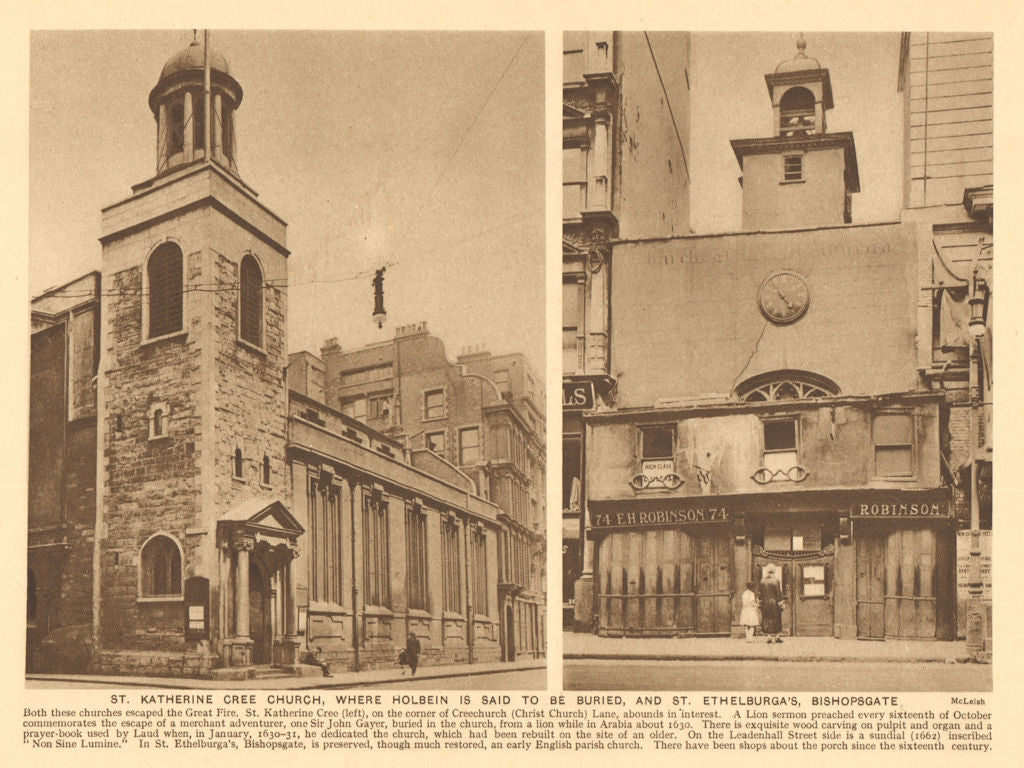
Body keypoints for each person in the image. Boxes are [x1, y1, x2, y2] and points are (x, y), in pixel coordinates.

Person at [759, 570, 784, 644]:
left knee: (766, 619)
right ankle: (777, 637)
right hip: (774, 603)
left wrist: (760, 602)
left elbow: (760, 593)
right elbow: (778, 593)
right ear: (773, 572)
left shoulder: (762, 581)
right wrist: (781, 603)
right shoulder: (776, 581)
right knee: (776, 619)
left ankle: (769, 637)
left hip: (765, 603)